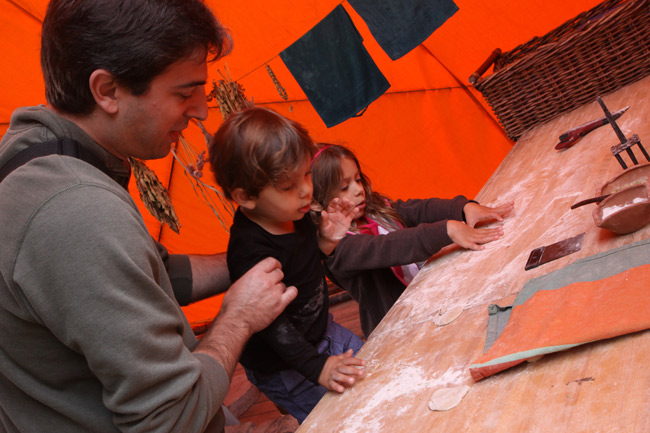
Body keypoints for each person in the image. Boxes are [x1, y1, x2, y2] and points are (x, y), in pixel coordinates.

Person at [0, 1, 297, 432]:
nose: (200, 110)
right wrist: (238, 317)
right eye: (184, 92)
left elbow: (150, 274)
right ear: (107, 90)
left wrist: (253, 258)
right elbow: (169, 418)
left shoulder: (35, 154)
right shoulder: (75, 212)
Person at [208, 106, 366, 423]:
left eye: (306, 174)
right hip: (284, 364)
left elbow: (307, 261)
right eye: (288, 186)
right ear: (245, 197)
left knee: (371, 374)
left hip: (322, 333)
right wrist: (318, 368)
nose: (307, 189)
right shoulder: (252, 253)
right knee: (341, 419)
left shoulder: (296, 211)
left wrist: (327, 240)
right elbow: (274, 329)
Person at [310, 143, 514, 337]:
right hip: (398, 331)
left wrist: (462, 208)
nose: (358, 190)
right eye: (344, 187)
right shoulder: (337, 248)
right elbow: (385, 248)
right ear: (320, 199)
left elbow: (417, 210)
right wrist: (446, 230)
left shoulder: (376, 209)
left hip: (430, 301)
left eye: (358, 179)